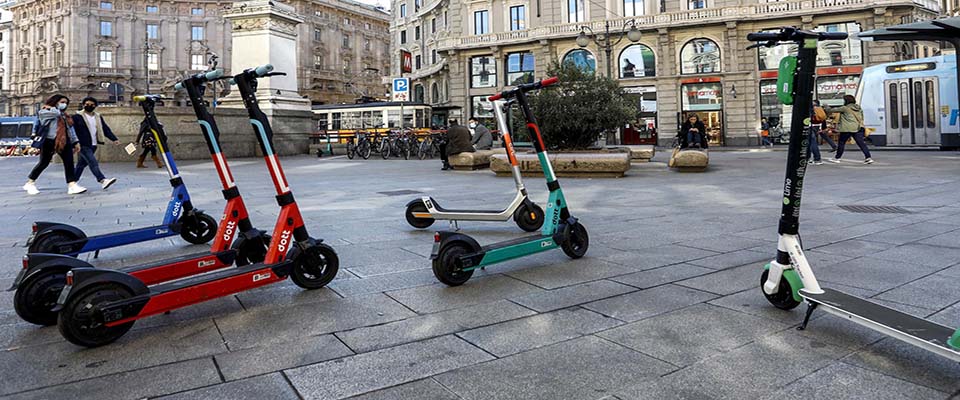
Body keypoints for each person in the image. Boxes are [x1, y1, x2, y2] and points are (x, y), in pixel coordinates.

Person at [23, 94, 86, 195]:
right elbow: (56, 114)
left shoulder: (64, 115)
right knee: (44, 163)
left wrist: (75, 141)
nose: (64, 105)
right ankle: (30, 182)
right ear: (55, 102)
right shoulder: (44, 112)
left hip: (63, 141)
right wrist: (53, 107)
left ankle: (72, 185)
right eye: (62, 102)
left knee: (69, 162)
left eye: (66, 103)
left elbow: (70, 129)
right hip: (49, 140)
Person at [72, 97, 119, 189]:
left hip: (94, 144)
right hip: (83, 144)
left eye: (92, 105)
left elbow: (105, 129)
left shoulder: (97, 116)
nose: (89, 106)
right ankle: (102, 180)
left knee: (81, 164)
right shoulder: (77, 117)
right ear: (83, 105)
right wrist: (75, 143)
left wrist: (114, 139)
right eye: (87, 104)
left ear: (95, 106)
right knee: (92, 162)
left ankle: (72, 181)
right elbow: (72, 131)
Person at [824, 95, 873, 164]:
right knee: (861, 143)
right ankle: (868, 158)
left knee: (841, 143)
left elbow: (830, 110)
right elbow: (862, 118)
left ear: (846, 101)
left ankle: (837, 158)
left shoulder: (845, 108)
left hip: (846, 129)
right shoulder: (858, 108)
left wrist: (826, 106)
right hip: (857, 128)